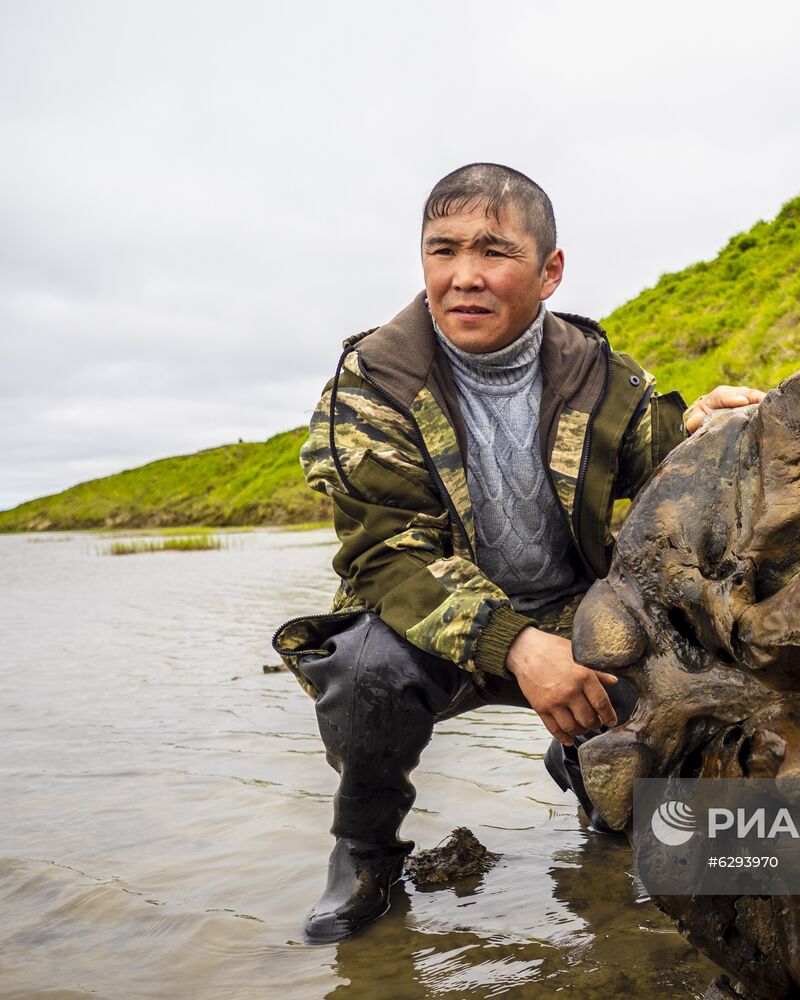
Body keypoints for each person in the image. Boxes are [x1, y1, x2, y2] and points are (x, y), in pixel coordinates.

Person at [272, 163, 764, 944]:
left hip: (576, 613)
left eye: (494, 251)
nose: (463, 276)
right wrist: (516, 645)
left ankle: (595, 781)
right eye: (442, 251)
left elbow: (663, 478)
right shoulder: (370, 386)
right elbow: (388, 556)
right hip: (423, 621)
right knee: (363, 674)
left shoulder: (603, 376)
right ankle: (363, 854)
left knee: (687, 678)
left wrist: (707, 430)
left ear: (549, 271)